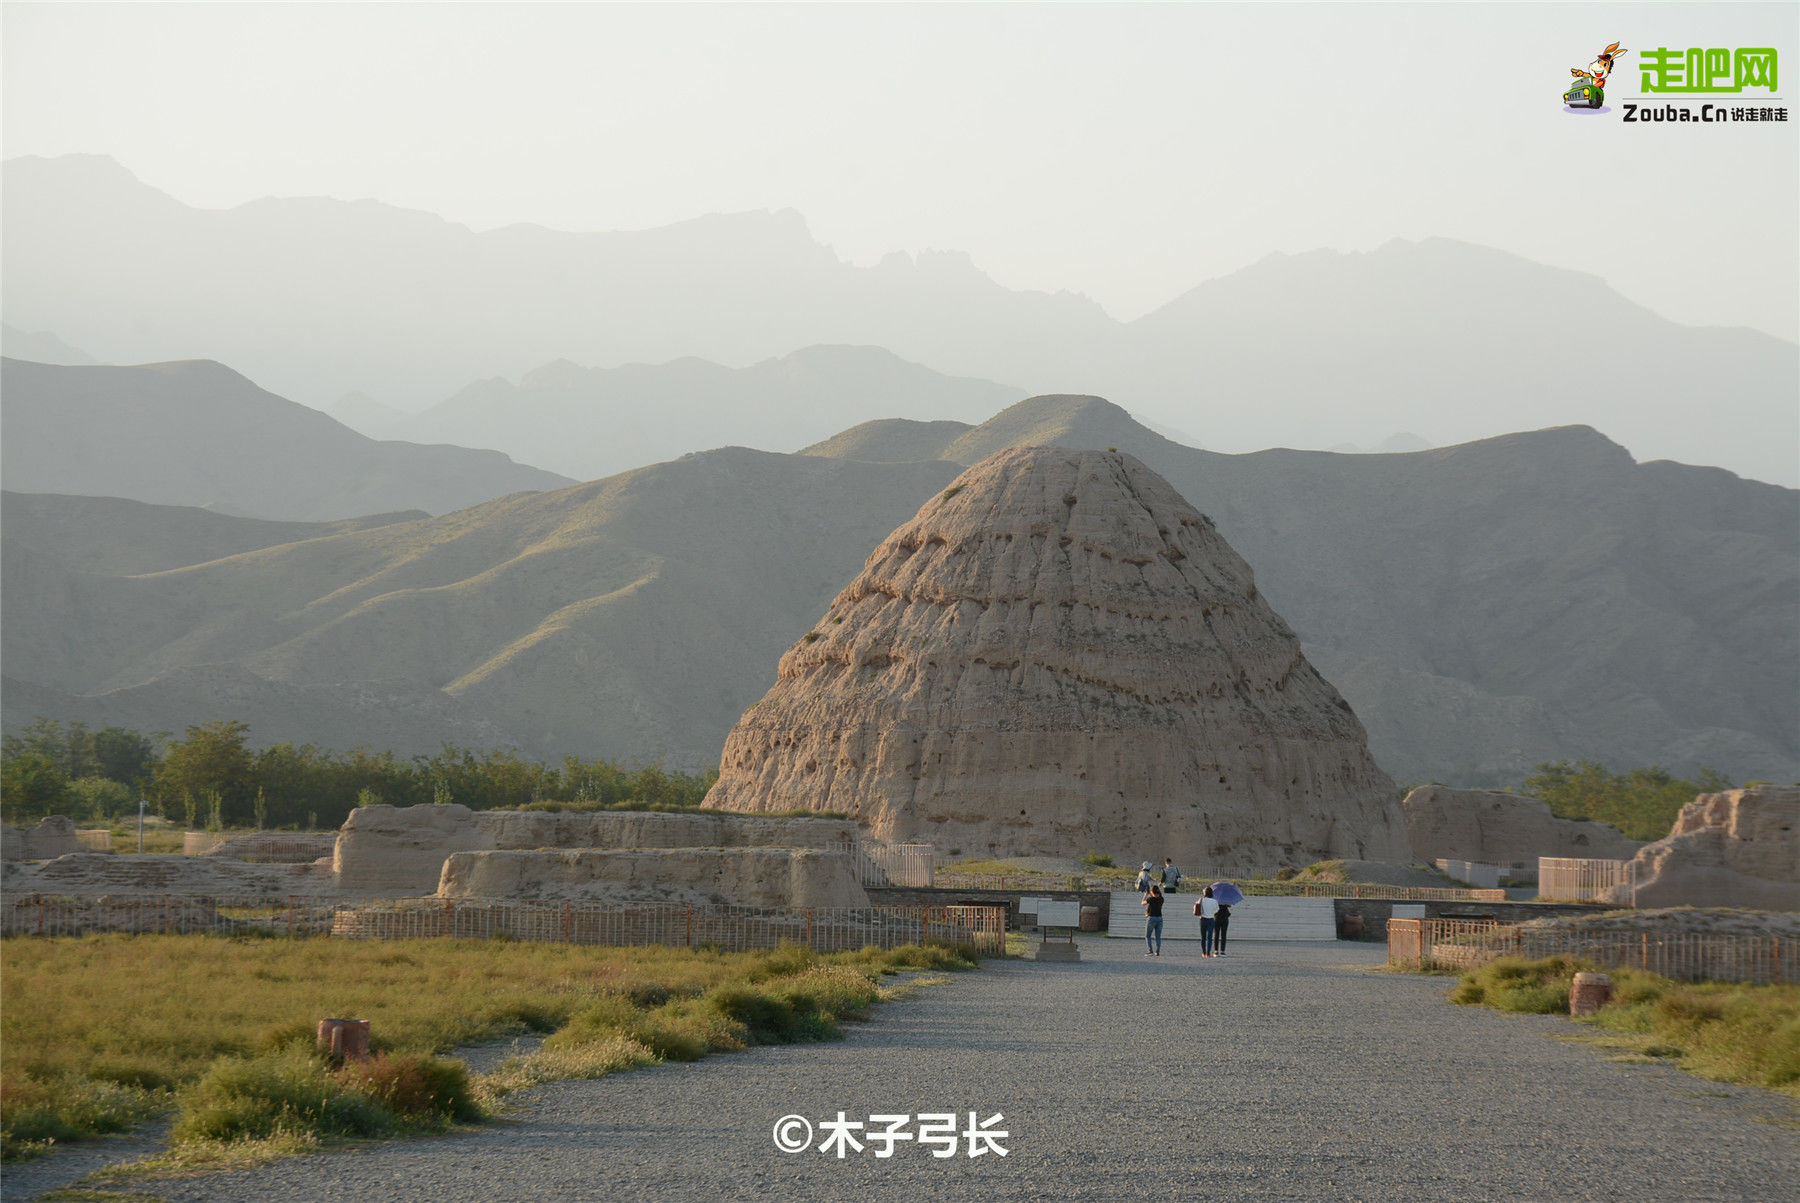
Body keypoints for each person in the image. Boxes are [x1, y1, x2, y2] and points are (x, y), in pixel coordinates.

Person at [1194, 885, 1219, 957]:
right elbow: (1216, 910)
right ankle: (1208, 953)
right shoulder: (1214, 901)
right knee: (1210, 937)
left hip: (1203, 919)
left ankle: (1204, 953)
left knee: (1203, 937)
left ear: (1205, 893)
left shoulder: (1201, 899)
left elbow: (1196, 906)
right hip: (1211, 919)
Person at [1142, 883, 1165, 956]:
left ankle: (1150, 951)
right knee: (1158, 936)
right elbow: (1156, 897)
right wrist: (1151, 894)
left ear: (1152, 892)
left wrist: (1145, 895)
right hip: (1160, 918)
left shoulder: (1150, 899)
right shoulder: (1161, 899)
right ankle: (1157, 951)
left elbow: (1142, 903)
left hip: (1151, 918)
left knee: (1147, 935)